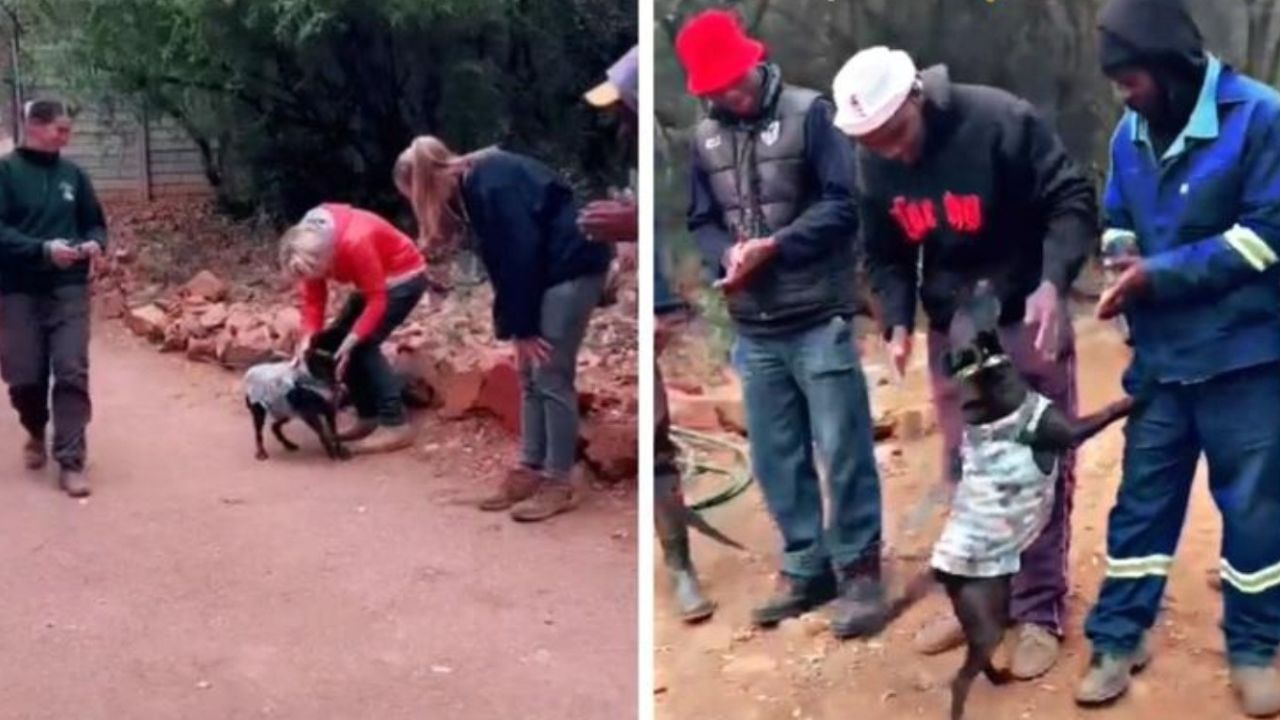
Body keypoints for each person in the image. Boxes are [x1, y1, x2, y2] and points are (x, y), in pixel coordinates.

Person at [833, 46, 1096, 678]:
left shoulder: (1000, 121)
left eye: (894, 133)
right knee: (972, 473)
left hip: (1024, 313)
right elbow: (886, 253)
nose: (891, 151)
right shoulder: (875, 163)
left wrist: (1053, 282)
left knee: (1034, 468)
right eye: (872, 141)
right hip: (956, 327)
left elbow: (1072, 200)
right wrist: (896, 318)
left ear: (918, 97)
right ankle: (984, 599)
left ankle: (1039, 610)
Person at [1075, 1, 1280, 714]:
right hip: (1162, 361)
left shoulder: (1260, 118)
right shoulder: (1133, 134)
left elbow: (1266, 235)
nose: (1123, 96)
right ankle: (1117, 637)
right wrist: (1121, 261)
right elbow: (1118, 217)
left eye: (1131, 81)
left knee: (1254, 511)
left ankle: (1254, 648)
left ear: (1172, 68)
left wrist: (1162, 275)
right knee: (1141, 506)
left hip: (1245, 359)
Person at [675, 9, 885, 638]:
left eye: (731, 82)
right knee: (774, 454)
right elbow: (701, 219)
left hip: (818, 313)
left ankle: (860, 570)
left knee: (843, 447)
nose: (725, 96)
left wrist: (780, 244)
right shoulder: (703, 138)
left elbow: (844, 205)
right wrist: (726, 254)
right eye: (713, 89)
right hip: (753, 324)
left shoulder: (810, 114)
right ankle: (806, 565)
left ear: (753, 62)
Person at [395, 137, 613, 523]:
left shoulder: (490, 183)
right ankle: (531, 468)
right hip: (548, 272)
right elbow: (505, 266)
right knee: (528, 375)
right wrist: (514, 327)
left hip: (570, 267)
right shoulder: (475, 187)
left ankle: (560, 480)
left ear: (424, 183)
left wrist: (526, 328)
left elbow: (520, 255)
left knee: (550, 373)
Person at [0, 99, 107, 498]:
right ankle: (33, 428)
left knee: (71, 370)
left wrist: (95, 243)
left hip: (69, 287)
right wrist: (42, 250)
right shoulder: (6, 173)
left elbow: (94, 221)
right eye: (59, 130)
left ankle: (71, 461)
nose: (67, 137)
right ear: (35, 127)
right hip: (17, 289)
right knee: (24, 376)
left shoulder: (73, 176)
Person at [278, 202, 429, 455]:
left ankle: (396, 423)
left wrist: (354, 339)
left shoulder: (355, 242)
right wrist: (306, 341)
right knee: (334, 343)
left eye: (320, 271)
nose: (319, 277)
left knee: (363, 345)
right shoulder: (307, 243)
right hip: (371, 283)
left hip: (403, 278)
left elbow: (378, 299)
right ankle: (367, 416)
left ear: (327, 255)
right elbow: (314, 302)